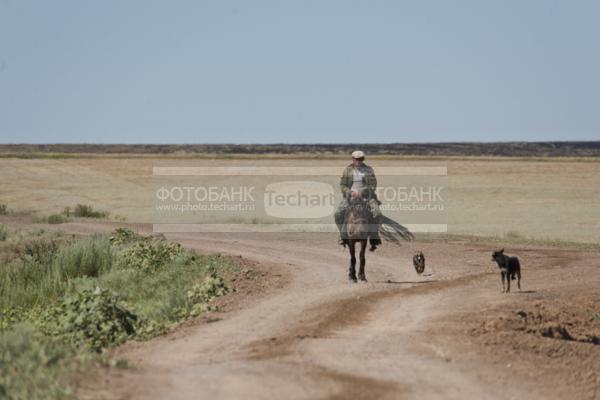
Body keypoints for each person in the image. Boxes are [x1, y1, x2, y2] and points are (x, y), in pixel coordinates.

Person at [334, 150, 382, 250]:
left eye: (361, 159)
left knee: (377, 213)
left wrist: (364, 191)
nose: (359, 161)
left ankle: (374, 236)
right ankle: (343, 235)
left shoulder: (368, 170)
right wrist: (350, 192)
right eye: (356, 159)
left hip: (367, 197)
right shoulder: (347, 170)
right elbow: (343, 185)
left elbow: (373, 185)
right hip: (350, 197)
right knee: (338, 214)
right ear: (353, 159)